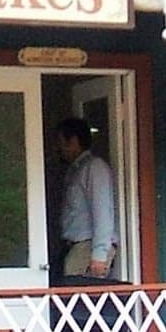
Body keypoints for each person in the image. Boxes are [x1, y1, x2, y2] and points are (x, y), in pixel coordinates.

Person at [54, 116, 120, 284]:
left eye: (61, 142)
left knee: (79, 301)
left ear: (74, 141)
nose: (59, 148)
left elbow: (102, 211)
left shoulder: (94, 168)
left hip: (86, 247)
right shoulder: (76, 170)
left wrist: (99, 254)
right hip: (77, 247)